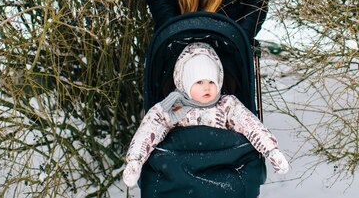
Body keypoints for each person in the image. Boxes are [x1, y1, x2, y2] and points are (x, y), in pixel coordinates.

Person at [122, 42, 289, 188]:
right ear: (186, 83)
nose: (207, 87)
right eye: (199, 82)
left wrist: (271, 151)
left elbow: (251, 125)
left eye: (211, 81)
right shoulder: (173, 106)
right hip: (181, 169)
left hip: (222, 167)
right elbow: (148, 130)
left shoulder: (227, 105)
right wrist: (135, 161)